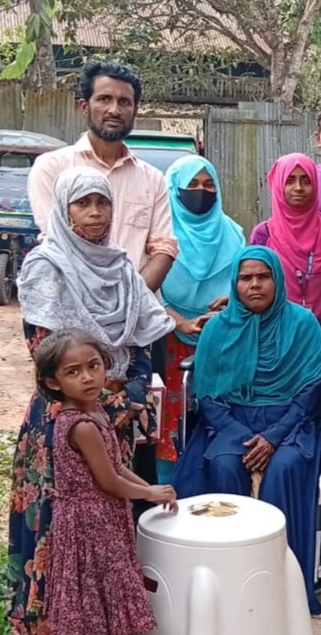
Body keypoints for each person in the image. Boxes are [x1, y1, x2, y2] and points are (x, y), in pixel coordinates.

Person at [8, 167, 174, 635]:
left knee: (112, 524)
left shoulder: (120, 267)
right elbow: (46, 353)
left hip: (121, 411)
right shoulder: (46, 265)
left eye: (103, 202)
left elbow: (142, 339)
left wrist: (134, 390)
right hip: (64, 416)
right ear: (64, 211)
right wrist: (105, 399)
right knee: (59, 530)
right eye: (83, 203)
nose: (96, 213)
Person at [172, 246, 321, 616]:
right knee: (225, 465)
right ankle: (228, 579)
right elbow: (208, 395)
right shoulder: (218, 328)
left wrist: (273, 437)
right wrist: (243, 436)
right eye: (246, 278)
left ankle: (280, 583)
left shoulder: (302, 323)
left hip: (289, 423)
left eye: (263, 276)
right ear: (235, 283)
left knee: (284, 468)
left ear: (277, 279)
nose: (255, 284)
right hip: (230, 422)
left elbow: (310, 391)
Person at [37, 330, 178, 635]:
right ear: (53, 383)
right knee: (98, 588)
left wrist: (149, 488)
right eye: (73, 372)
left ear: (106, 364)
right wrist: (149, 493)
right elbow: (109, 481)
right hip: (89, 523)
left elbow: (116, 465)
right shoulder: (81, 425)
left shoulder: (95, 409)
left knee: (107, 585)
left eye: (94, 365)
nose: (88, 377)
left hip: (105, 516)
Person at [27, 61, 177, 290]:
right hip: (74, 302)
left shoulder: (153, 179)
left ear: (135, 111)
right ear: (84, 106)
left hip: (139, 306)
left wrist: (130, 302)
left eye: (124, 102)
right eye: (104, 99)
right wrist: (98, 304)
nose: (114, 110)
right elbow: (56, 242)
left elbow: (164, 249)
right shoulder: (53, 168)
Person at [158, 155, 246, 483]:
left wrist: (230, 308)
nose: (201, 191)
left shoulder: (234, 234)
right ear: (174, 189)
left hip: (222, 341)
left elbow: (246, 284)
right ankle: (167, 495)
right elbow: (146, 290)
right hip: (167, 341)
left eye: (209, 185)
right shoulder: (160, 235)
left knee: (218, 423)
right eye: (192, 185)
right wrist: (179, 321)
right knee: (167, 426)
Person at [250, 153, 321, 325]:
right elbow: (253, 284)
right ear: (278, 185)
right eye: (290, 180)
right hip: (276, 328)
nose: (298, 187)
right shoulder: (264, 234)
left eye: (306, 181)